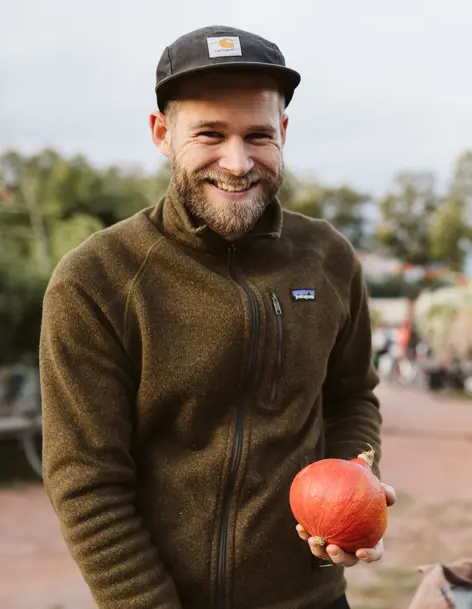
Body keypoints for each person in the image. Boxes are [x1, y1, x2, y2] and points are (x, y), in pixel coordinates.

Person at [38, 25, 395, 609]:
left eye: (258, 135)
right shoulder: (97, 279)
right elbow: (87, 481)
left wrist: (353, 483)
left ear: (282, 132)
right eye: (209, 133)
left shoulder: (328, 258)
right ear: (162, 133)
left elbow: (352, 395)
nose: (236, 162)